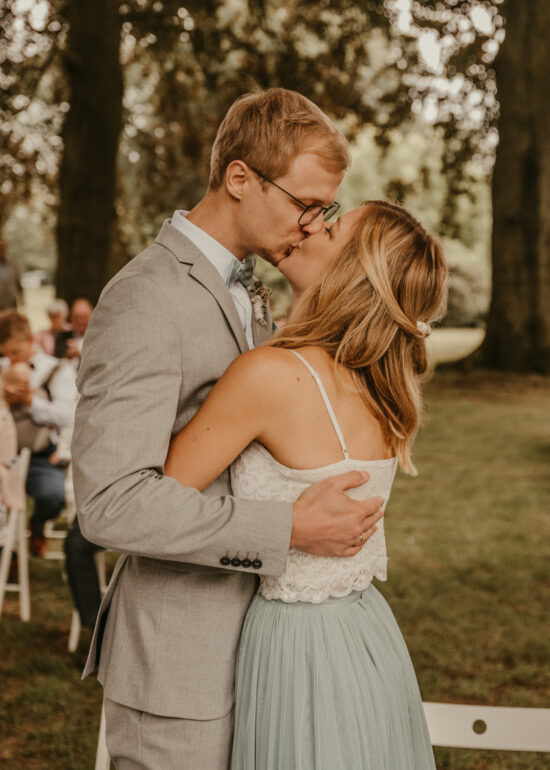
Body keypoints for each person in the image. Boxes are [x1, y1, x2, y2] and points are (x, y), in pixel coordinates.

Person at [72, 88, 385, 769]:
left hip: (265, 655)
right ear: (240, 177)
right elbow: (109, 503)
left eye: (324, 210)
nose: (312, 225)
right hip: (179, 668)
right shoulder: (147, 297)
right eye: (305, 204)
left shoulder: (251, 287)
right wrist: (288, 529)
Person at [165, 200, 448, 768]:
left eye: (331, 226)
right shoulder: (382, 385)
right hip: (365, 633)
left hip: (299, 644)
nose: (312, 223)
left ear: (353, 272)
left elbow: (160, 497)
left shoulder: (268, 375)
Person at [0, 311, 77, 557]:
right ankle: (7, 555)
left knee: (53, 496)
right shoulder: (2, 368)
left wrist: (30, 402)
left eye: (15, 352)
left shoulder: (57, 369)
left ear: (30, 339)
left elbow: (67, 415)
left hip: (40, 456)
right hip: (3, 456)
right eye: (6, 353)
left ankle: (36, 524)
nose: (11, 359)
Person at [54, 298, 93, 368]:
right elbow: (55, 360)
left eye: (84, 317)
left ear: (92, 316)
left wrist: (80, 355)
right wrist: (66, 357)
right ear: (71, 318)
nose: (80, 321)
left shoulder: (99, 338)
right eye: (77, 317)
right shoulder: (62, 338)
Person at [0, 241, 22, 311]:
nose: (2, 250)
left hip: (11, 300)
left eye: (3, 248)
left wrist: (21, 298)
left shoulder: (13, 265)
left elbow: (18, 283)